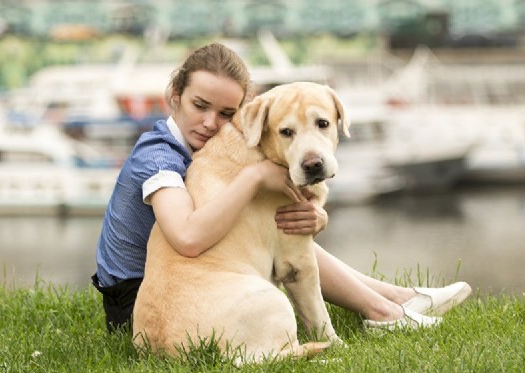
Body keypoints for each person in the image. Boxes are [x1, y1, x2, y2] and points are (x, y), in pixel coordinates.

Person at [91, 42, 470, 332]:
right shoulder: (158, 156)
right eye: (199, 105)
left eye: (226, 114)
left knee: (282, 230)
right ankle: (386, 308)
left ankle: (398, 299)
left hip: (185, 286)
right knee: (280, 237)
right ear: (174, 95)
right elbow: (188, 238)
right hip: (144, 302)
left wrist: (315, 217)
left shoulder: (209, 151)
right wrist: (255, 177)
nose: (210, 123)